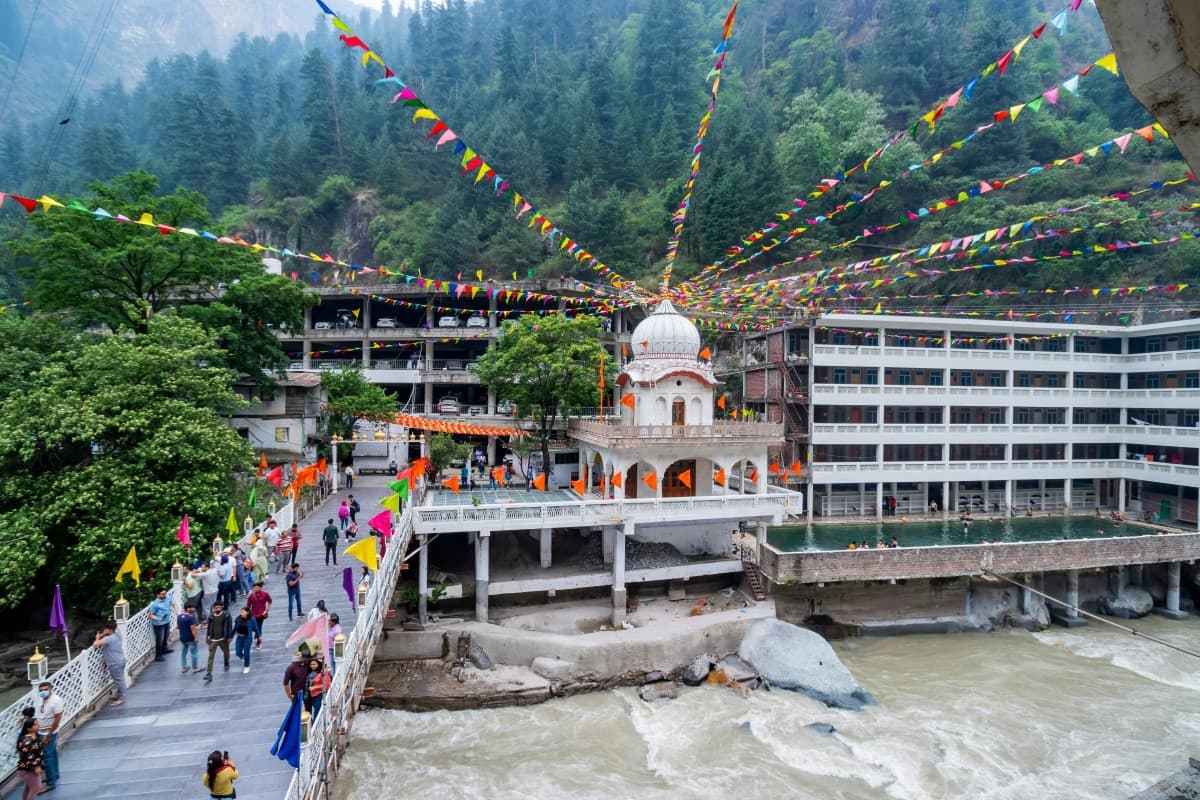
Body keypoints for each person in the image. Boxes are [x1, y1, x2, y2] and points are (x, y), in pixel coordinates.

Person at [35, 681, 63, 791]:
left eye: (45, 689)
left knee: (47, 756)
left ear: (51, 688)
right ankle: (55, 774)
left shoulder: (56, 701)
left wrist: (49, 734)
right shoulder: (41, 699)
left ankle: (51, 782)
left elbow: (57, 718)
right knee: (52, 753)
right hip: (42, 731)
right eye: (41, 690)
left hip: (48, 732)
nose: (43, 692)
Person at [93, 621, 128, 703]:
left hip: (114, 662)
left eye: (105, 629)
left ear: (108, 630)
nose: (104, 630)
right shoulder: (118, 634)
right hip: (121, 659)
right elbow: (115, 629)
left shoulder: (108, 639)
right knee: (120, 678)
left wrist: (97, 637)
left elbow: (95, 644)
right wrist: (103, 634)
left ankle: (122, 698)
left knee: (119, 680)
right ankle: (120, 695)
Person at [203, 602, 233, 682]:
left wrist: (230, 636)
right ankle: (209, 673)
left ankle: (226, 662)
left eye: (219, 608)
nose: (218, 609)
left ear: (222, 607)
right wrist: (207, 637)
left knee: (226, 652)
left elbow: (229, 626)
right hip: (213, 639)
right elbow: (209, 627)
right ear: (213, 608)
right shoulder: (211, 616)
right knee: (211, 656)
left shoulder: (226, 616)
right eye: (216, 608)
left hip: (223, 638)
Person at [15, 716, 43, 800]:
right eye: (35, 725)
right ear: (29, 729)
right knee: (36, 788)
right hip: (28, 768)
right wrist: (36, 766)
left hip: (28, 768)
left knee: (28, 788)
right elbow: (28, 755)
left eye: (38, 724)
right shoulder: (27, 740)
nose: (38, 726)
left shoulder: (35, 736)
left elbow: (36, 750)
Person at [149, 587, 174, 662]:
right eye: (162, 594)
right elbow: (150, 615)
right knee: (160, 639)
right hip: (159, 624)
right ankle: (158, 656)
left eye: (165, 593)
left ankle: (164, 649)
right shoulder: (155, 604)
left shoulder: (168, 598)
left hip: (166, 621)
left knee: (166, 636)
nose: (164, 595)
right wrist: (159, 619)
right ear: (158, 595)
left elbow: (173, 603)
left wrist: (176, 610)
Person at [233, 607, 261, 675]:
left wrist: (259, 636)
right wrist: (230, 636)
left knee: (246, 652)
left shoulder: (252, 619)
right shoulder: (238, 618)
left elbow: (256, 628)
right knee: (238, 652)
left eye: (242, 612)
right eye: (241, 612)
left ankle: (246, 666)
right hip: (239, 637)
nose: (241, 613)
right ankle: (242, 656)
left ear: (247, 612)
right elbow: (234, 628)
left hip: (247, 638)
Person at [246, 582, 272, 649]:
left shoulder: (265, 594)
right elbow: (248, 606)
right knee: (252, 627)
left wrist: (267, 610)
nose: (255, 589)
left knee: (259, 627)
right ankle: (257, 634)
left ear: (260, 588)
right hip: (253, 614)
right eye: (254, 588)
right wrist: (247, 614)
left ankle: (258, 643)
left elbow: (270, 601)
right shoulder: (251, 596)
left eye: (257, 588)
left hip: (261, 614)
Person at [176, 605, 200, 674]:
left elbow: (177, 626)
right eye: (193, 607)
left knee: (183, 653)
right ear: (188, 608)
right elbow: (193, 628)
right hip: (190, 638)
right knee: (193, 653)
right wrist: (195, 638)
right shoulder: (191, 617)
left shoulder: (179, 616)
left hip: (182, 638)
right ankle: (195, 668)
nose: (194, 608)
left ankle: (184, 667)